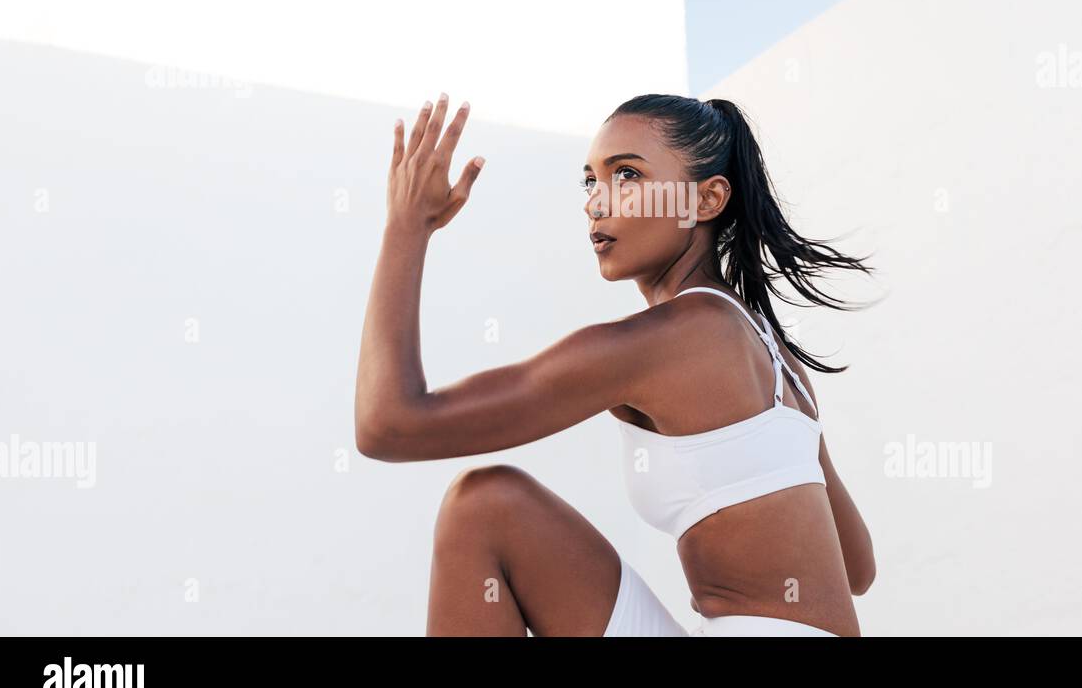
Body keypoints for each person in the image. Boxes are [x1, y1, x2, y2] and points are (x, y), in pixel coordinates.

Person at [355, 91, 878, 636]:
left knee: (483, 507)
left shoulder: (670, 340)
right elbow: (856, 568)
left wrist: (406, 228)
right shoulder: (774, 354)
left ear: (707, 200)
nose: (598, 202)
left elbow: (388, 426)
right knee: (487, 503)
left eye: (627, 176)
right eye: (590, 181)